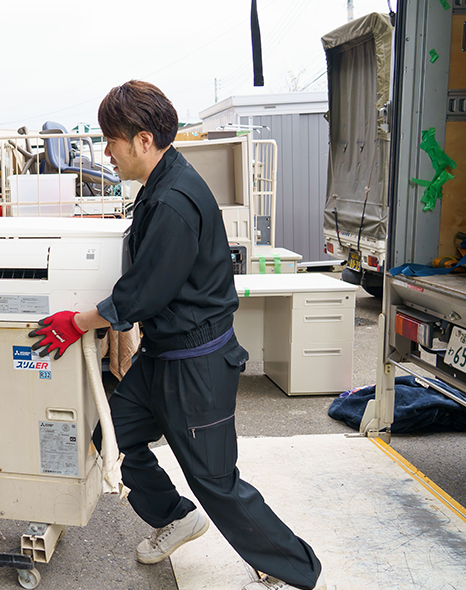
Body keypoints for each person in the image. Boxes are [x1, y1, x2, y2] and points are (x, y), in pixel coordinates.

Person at [29, 81, 325, 590]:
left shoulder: (173, 200)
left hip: (196, 364)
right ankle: (175, 516)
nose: (106, 152)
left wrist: (77, 322)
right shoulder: (159, 185)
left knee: (215, 480)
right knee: (112, 435)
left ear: (143, 140)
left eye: (111, 141)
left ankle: (295, 568)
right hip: (163, 353)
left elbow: (143, 293)